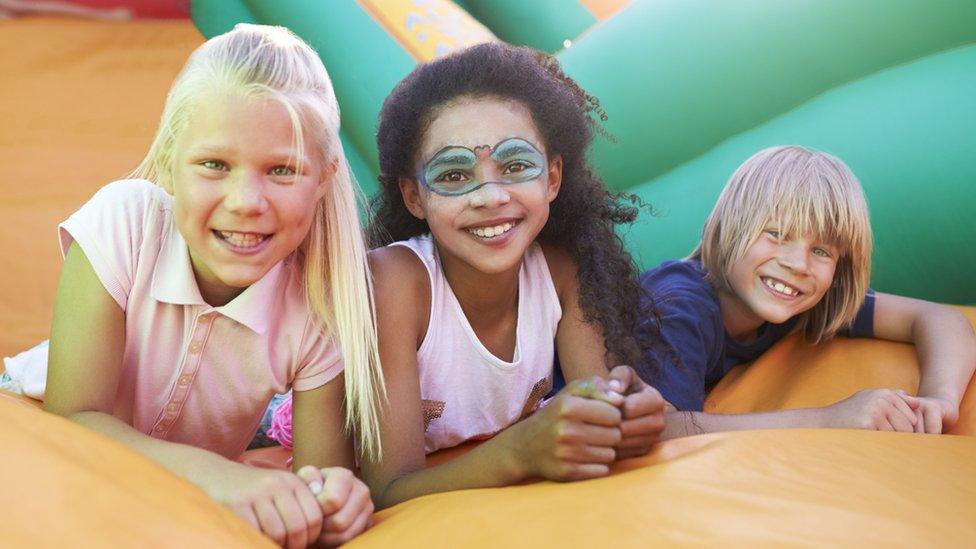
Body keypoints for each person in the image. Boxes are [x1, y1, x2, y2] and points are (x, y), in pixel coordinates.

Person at [1, 24, 383, 547]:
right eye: (214, 164)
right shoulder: (127, 223)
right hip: (32, 439)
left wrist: (331, 498)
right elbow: (75, 419)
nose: (246, 200)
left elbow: (316, 477)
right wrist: (222, 476)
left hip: (164, 500)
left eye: (281, 169)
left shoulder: (319, 309)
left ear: (324, 176)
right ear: (167, 162)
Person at [309, 41, 663, 509]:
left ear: (552, 177)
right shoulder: (393, 282)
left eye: (516, 165)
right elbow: (388, 488)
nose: (490, 196)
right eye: (454, 175)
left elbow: (595, 403)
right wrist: (519, 453)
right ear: (415, 197)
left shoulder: (559, 272)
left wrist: (623, 413)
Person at [636, 145, 976, 438]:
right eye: (777, 234)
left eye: (822, 251)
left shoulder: (805, 297)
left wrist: (939, 401)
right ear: (727, 228)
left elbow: (936, 317)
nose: (799, 264)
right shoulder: (677, 306)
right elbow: (660, 429)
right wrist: (830, 418)